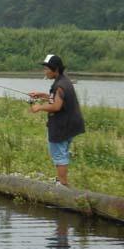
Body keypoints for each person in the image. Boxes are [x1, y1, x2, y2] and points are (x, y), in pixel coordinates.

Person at [28, 54, 85, 187]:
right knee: (62, 153)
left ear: (55, 69)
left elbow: (56, 106)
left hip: (62, 126)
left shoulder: (59, 85)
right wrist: (42, 95)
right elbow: (58, 98)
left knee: (59, 155)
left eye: (47, 69)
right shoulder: (64, 81)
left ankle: (63, 185)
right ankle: (61, 181)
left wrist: (39, 107)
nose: (45, 71)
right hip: (70, 124)